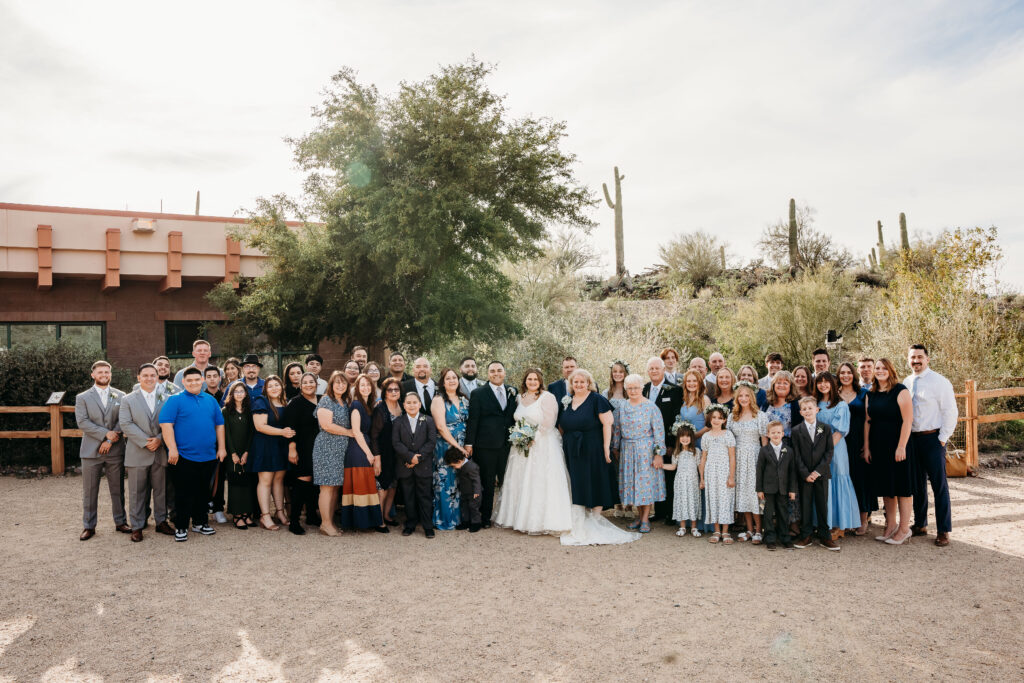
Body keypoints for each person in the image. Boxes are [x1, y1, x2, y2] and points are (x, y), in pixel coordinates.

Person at [492, 368, 573, 535]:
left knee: (538, 481)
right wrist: (520, 437)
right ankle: (517, 518)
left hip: (541, 444)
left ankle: (541, 521)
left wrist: (532, 437)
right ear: (525, 381)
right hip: (520, 445)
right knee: (519, 480)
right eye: (529, 379)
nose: (533, 382)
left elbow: (550, 421)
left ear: (540, 381)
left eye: (535, 379)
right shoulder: (519, 398)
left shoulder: (547, 397)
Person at [159, 367, 226, 542]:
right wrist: (172, 448)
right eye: (189, 380)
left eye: (197, 380)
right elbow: (166, 425)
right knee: (182, 493)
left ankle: (200, 522)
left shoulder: (210, 400)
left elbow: (219, 425)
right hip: (183, 456)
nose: (193, 383)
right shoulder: (174, 400)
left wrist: (222, 447)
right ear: (183, 382)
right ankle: (181, 526)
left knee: (203, 492)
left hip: (209, 455)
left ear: (202, 380)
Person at [905, 344, 957, 547]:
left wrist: (942, 438)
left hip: (932, 439)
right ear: (908, 360)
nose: (916, 361)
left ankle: (944, 529)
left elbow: (950, 412)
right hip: (913, 439)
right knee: (917, 484)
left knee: (939, 485)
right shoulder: (907, 382)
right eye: (912, 358)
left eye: (919, 357)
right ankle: (920, 524)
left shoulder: (940, 382)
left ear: (927, 359)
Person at [119, 363, 174, 542]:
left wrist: (159, 439)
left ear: (158, 377)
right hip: (137, 452)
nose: (149, 378)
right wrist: (145, 441)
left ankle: (161, 521)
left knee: (161, 491)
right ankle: (137, 526)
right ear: (138, 377)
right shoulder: (128, 399)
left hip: (160, 452)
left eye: (153, 375)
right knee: (137, 492)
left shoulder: (167, 399)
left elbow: (171, 422)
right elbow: (126, 424)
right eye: (146, 375)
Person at [76, 360, 129, 541]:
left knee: (117, 488)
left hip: (115, 450)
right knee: (90, 490)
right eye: (100, 372)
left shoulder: (121, 395)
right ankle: (89, 526)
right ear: (93, 375)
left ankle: (120, 522)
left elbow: (124, 419)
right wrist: (106, 435)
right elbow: (83, 422)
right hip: (91, 451)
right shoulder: (82, 397)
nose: (104, 375)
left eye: (107, 372)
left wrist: (111, 439)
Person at [865, 358, 915, 546]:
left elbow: (908, 421)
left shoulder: (900, 390)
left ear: (890, 370)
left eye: (884, 368)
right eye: (877, 368)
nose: (880, 371)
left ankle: (904, 528)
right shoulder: (872, 393)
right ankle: (891, 525)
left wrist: (901, 446)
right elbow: (867, 421)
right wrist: (867, 447)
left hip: (898, 445)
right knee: (887, 488)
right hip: (878, 446)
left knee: (902, 488)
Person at [465, 361, 517, 526]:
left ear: (504, 372)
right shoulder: (478, 393)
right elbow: (473, 420)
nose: (496, 373)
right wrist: (469, 444)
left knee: (507, 481)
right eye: (492, 371)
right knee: (487, 483)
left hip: (507, 445)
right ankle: (485, 517)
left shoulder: (512, 391)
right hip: (485, 445)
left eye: (499, 370)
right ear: (487, 374)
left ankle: (507, 516)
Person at [612, 374, 667, 534]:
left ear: (642, 388)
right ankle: (640, 516)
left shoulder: (651, 407)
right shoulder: (622, 407)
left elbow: (659, 433)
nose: (633, 390)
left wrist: (658, 454)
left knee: (645, 485)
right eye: (629, 388)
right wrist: (615, 447)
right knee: (633, 484)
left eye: (636, 387)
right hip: (627, 449)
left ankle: (645, 519)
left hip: (646, 450)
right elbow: (617, 429)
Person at [559, 368, 617, 513]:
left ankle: (595, 518)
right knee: (577, 481)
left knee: (594, 479)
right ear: (571, 384)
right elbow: (561, 425)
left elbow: (607, 423)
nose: (578, 385)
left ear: (588, 383)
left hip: (592, 446)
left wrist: (606, 448)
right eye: (575, 382)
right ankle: (580, 514)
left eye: (582, 382)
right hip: (571, 448)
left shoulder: (597, 399)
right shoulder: (567, 400)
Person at [814, 372, 859, 538]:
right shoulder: (815, 403)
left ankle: (840, 526)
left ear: (833, 384)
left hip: (836, 449)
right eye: (820, 382)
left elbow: (840, 432)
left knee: (837, 481)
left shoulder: (840, 405)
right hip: (817, 449)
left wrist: (825, 450)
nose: (823, 385)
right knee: (823, 484)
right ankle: (824, 523)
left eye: (827, 382)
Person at [792, 397, 839, 551]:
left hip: (821, 474)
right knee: (805, 505)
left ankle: (825, 536)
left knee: (822, 504)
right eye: (804, 409)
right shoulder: (796, 430)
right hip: (804, 475)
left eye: (810, 408)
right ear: (800, 412)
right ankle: (806, 535)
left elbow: (829, 451)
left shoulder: (825, 428)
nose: (807, 411)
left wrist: (818, 471)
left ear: (817, 410)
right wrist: (806, 473)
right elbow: (796, 455)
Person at [249, 376, 294, 531]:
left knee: (279, 480)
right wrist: (282, 432)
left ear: (282, 387)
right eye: (270, 386)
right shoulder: (261, 401)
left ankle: (280, 513)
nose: (274, 388)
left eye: (277, 385)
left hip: (281, 445)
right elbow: (260, 426)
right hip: (265, 445)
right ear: (265, 389)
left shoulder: (285, 402)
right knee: (266, 480)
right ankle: (265, 516)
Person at [341, 374, 385, 531]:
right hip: (357, 449)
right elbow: (356, 431)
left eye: (368, 385)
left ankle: (366, 521)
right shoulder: (356, 405)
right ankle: (359, 522)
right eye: (362, 385)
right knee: (361, 483)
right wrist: (368, 453)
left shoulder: (369, 405)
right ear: (357, 389)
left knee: (366, 484)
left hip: (365, 446)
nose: (366, 388)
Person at [312, 372, 353, 537]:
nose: (341, 386)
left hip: (340, 449)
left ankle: (330, 521)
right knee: (327, 487)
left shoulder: (345, 401)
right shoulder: (326, 400)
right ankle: (325, 523)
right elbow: (327, 425)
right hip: (326, 447)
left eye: (344, 383)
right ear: (331, 384)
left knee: (335, 487)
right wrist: (349, 432)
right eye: (337, 383)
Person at [393, 392, 438, 538]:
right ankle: (410, 524)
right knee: (408, 497)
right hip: (405, 465)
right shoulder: (398, 422)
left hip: (423, 466)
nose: (412, 405)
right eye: (408, 402)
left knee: (424, 496)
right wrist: (410, 457)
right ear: (404, 405)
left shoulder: (428, 420)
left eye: (414, 402)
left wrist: (418, 458)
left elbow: (431, 442)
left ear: (419, 404)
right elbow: (396, 443)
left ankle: (427, 526)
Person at [641, 357, 680, 525]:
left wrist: (671, 443)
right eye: (651, 369)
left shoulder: (674, 390)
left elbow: (676, 418)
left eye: (657, 368)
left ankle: (671, 513)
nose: (654, 371)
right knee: (655, 475)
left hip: (667, 441)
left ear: (664, 369)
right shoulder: (644, 389)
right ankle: (659, 511)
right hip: (647, 442)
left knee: (669, 477)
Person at [837, 361, 874, 535]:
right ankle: (845, 518)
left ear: (854, 374)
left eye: (848, 372)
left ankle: (862, 517)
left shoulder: (863, 394)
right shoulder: (834, 394)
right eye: (842, 373)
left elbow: (868, 420)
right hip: (839, 441)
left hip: (859, 440)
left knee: (861, 479)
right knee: (844, 478)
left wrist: (866, 446)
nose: (845, 375)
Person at [728, 382, 768, 543]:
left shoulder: (760, 416)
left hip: (754, 457)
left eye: (746, 395)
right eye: (740, 396)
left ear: (751, 397)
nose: (743, 398)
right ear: (736, 398)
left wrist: (765, 463)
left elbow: (765, 442)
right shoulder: (732, 417)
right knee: (743, 494)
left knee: (754, 494)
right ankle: (749, 530)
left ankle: (759, 530)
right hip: (738, 458)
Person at [430, 368, 468, 531]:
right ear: (443, 382)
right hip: (446, 446)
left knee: (460, 481)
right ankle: (445, 519)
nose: (452, 380)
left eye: (454, 377)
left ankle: (459, 518)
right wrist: (457, 446)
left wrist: (466, 445)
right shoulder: (438, 400)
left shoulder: (464, 399)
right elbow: (440, 426)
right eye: (448, 378)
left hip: (463, 444)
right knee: (445, 482)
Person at [283, 372, 321, 534]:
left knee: (315, 483)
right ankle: (294, 521)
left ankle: (312, 515)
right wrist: (292, 448)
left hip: (320, 447)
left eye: (311, 382)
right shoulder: (295, 403)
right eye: (304, 382)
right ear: (300, 385)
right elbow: (290, 427)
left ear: (316, 384)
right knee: (302, 482)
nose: (308, 385)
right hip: (302, 447)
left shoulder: (323, 400)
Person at [756, 421, 798, 550]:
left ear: (783, 434)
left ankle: (785, 537)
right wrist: (759, 489)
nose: (776, 435)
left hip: (783, 488)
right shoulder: (764, 450)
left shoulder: (789, 451)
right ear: (768, 434)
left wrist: (792, 490)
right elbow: (759, 470)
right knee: (768, 514)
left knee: (783, 513)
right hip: (768, 488)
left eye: (778, 432)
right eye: (773, 433)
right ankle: (769, 538)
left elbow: (792, 472)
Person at [222, 381, 256, 530]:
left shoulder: (249, 410)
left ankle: (246, 514)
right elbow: (226, 434)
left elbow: (251, 432)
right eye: (236, 392)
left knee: (247, 483)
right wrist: (233, 453)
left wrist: (247, 452)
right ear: (231, 394)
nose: (239, 394)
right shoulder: (226, 411)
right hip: (232, 452)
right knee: (235, 483)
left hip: (246, 451)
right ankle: (237, 515)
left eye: (242, 391)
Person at [700, 404, 736, 544]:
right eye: (713, 417)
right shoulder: (706, 436)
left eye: (719, 418)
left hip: (724, 471)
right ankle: (716, 530)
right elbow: (703, 458)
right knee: (713, 499)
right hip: (710, 472)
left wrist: (731, 476)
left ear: (724, 420)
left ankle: (726, 531)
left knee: (725, 500)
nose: (716, 420)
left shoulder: (728, 434)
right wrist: (702, 478)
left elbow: (732, 456)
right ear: (709, 418)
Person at [371, 377, 404, 526]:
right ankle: (379, 520)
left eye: (396, 389)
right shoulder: (380, 409)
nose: (393, 392)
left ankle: (387, 515)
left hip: (399, 453)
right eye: (390, 389)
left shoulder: (403, 406)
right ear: (384, 392)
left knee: (393, 485)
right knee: (383, 486)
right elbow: (374, 436)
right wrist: (377, 458)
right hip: (383, 453)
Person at [605, 360, 630, 519]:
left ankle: (629, 505)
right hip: (612, 434)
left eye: (621, 371)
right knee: (615, 470)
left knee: (628, 470)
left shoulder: (630, 391)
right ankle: (618, 504)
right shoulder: (606, 393)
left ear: (625, 373)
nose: (618, 374)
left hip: (628, 435)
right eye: (615, 371)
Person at [668, 422, 701, 537]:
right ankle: (682, 527)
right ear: (678, 438)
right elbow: (673, 467)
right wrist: (660, 465)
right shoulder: (677, 452)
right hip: (680, 481)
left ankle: (693, 527)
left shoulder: (696, 451)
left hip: (692, 481)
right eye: (682, 436)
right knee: (682, 501)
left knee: (693, 501)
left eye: (688, 436)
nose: (685, 438)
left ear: (692, 438)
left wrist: (702, 480)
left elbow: (699, 467)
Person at [445, 449, 482, 532]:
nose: (454, 468)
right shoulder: (461, 465)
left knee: (473, 508)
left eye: (454, 466)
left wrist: (477, 491)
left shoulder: (471, 466)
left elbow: (476, 480)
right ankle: (466, 522)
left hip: (473, 492)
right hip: (465, 491)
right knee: (464, 507)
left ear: (459, 461)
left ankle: (476, 523)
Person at [764, 371, 796, 436]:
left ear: (791, 386)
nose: (781, 385)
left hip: (787, 444)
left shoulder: (795, 405)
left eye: (785, 383)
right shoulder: (766, 403)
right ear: (774, 385)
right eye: (778, 383)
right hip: (768, 444)